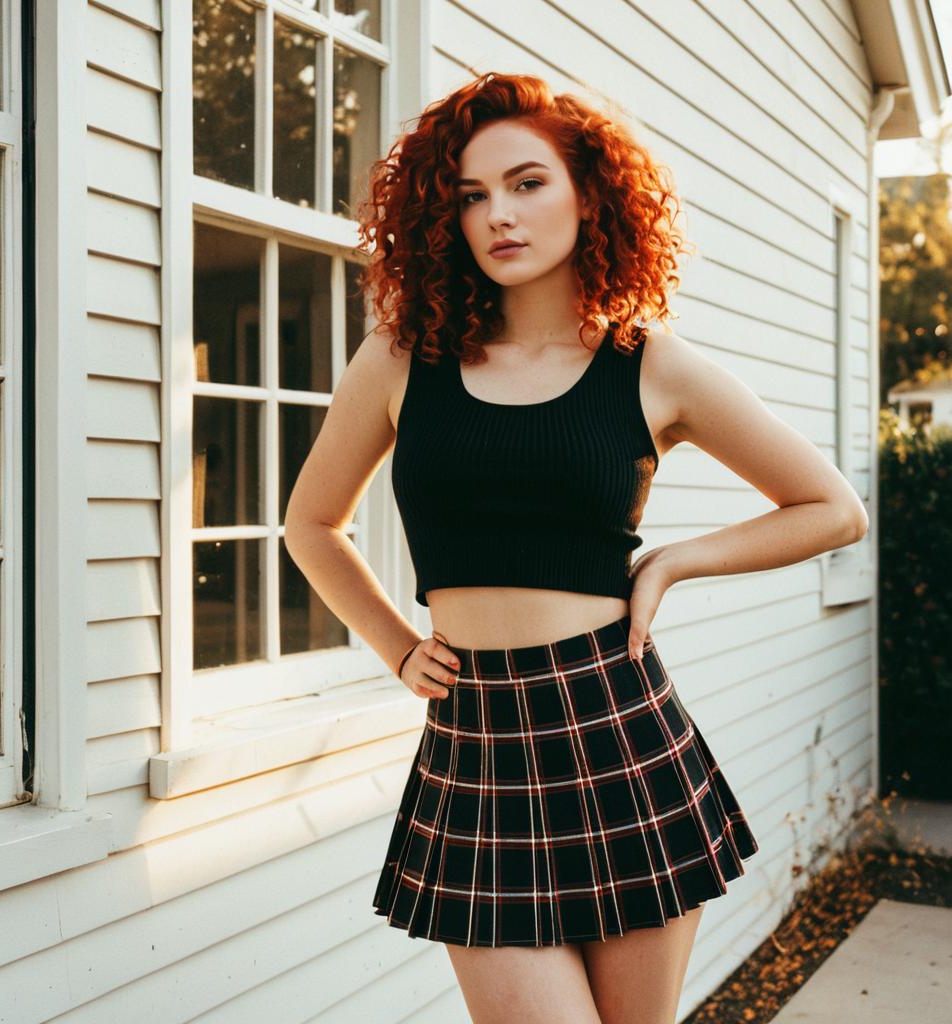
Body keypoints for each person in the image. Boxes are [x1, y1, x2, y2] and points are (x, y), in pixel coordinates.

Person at [283, 72, 869, 1024]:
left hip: (617, 728)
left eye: (526, 184)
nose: (496, 216)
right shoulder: (401, 358)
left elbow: (831, 508)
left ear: (590, 194)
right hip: (475, 740)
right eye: (470, 196)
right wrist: (396, 645)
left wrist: (673, 562)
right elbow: (310, 525)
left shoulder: (650, 363)